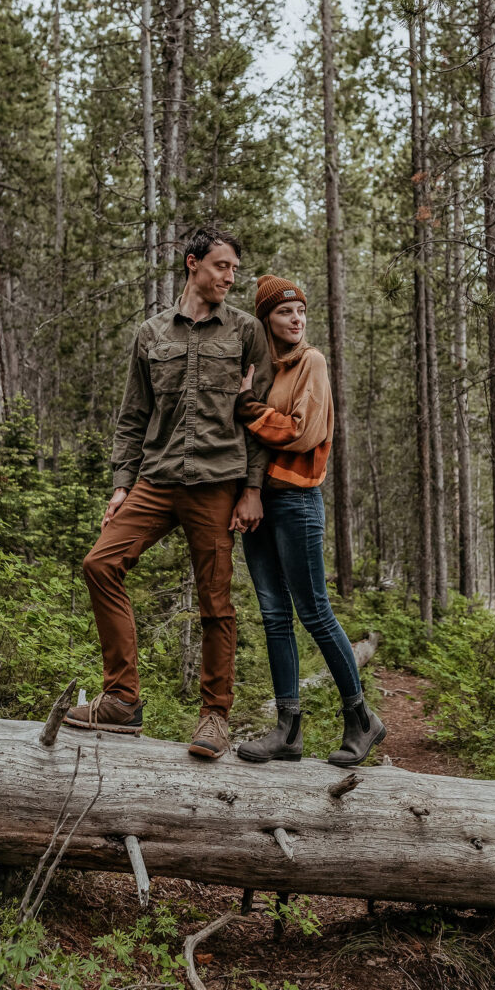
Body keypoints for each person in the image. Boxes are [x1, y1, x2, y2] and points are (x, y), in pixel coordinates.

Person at [63, 227, 274, 760]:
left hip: (217, 485)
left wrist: (252, 490)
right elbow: (133, 417)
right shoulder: (151, 333)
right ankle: (121, 699)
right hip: (156, 482)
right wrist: (120, 485)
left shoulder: (247, 332)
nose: (230, 277)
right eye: (222, 266)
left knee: (216, 601)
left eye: (234, 269)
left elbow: (259, 420)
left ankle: (214, 718)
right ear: (192, 264)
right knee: (100, 563)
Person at [234, 273, 386, 767]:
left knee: (314, 611)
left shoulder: (310, 363)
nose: (296, 319)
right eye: (285, 312)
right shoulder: (261, 368)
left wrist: (249, 410)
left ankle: (361, 719)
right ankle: (288, 730)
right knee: (275, 616)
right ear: (266, 318)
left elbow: (302, 433)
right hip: (256, 502)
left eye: (301, 311)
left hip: (297, 501)